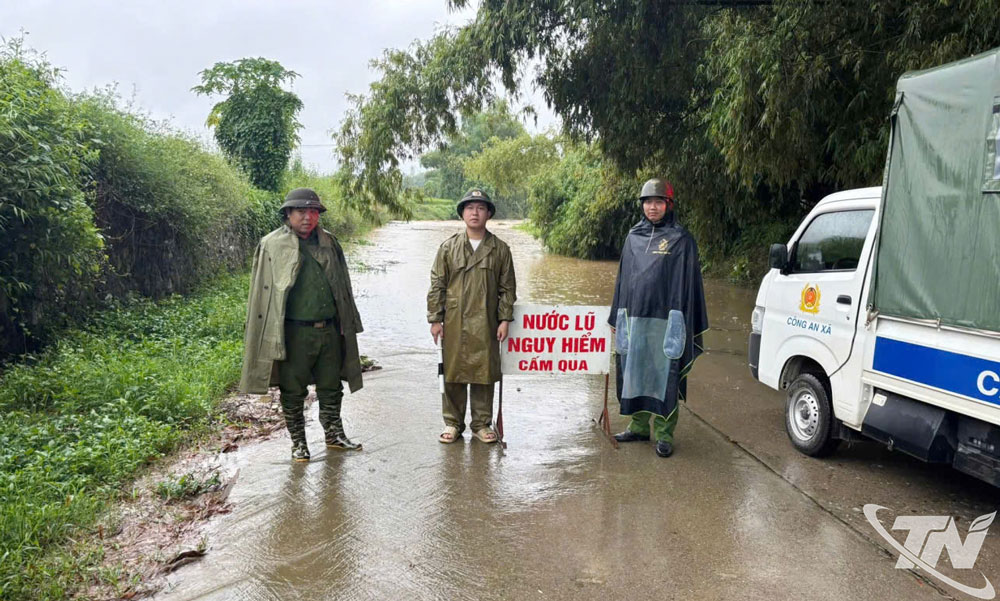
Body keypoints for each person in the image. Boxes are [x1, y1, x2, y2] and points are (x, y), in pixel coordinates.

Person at [239, 188, 366, 462]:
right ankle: (298, 443)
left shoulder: (330, 242)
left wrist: (347, 323)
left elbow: (343, 285)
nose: (308, 217)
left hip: (329, 330)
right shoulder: (271, 245)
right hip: (294, 332)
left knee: (332, 386)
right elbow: (261, 294)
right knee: (293, 389)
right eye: (301, 212)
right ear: (288, 214)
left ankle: (334, 435)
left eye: (313, 212)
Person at [608, 178, 709, 457]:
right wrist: (616, 316)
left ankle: (665, 433)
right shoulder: (633, 237)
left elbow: (690, 286)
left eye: (658, 202)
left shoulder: (681, 239)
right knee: (635, 372)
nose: (652, 207)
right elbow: (622, 280)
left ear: (669, 204)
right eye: (648, 202)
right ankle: (638, 427)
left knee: (666, 376)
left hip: (668, 320)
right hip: (635, 318)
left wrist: (688, 321)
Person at [427, 188, 517, 444]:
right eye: (469, 208)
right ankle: (453, 423)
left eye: (480, 208)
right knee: (452, 372)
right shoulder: (448, 248)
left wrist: (504, 319)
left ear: (488, 213)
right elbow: (437, 285)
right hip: (454, 321)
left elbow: (507, 288)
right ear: (462, 214)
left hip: (486, 322)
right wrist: (435, 319)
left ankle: (481, 424)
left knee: (484, 372)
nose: (474, 212)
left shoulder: (500, 249)